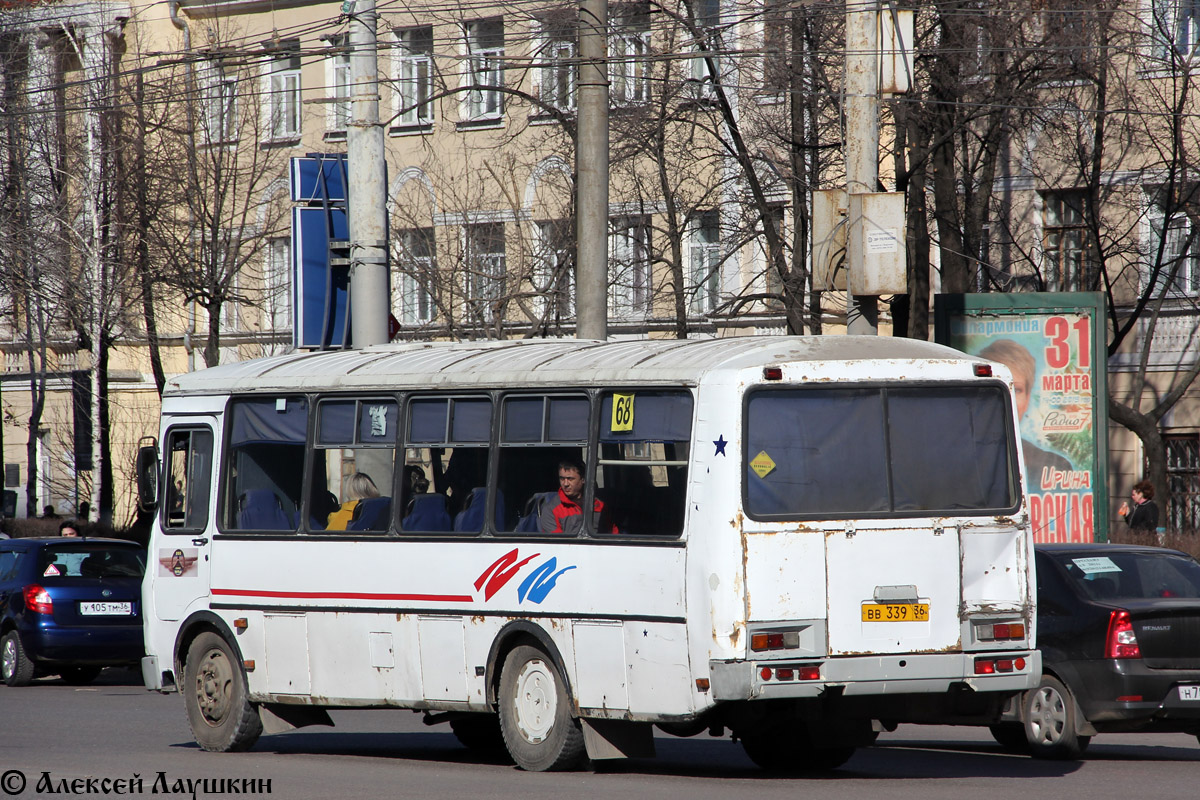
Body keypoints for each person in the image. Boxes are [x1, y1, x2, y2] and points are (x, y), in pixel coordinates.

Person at [977, 339, 1072, 482]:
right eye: (996, 388)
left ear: (1027, 398)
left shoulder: (1054, 467)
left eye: (1017, 390)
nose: (1007, 399)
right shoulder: (960, 461)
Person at [538, 459, 617, 535]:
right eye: (562, 479)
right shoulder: (551, 509)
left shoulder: (600, 505)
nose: (565, 484)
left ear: (583, 479)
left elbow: (613, 535)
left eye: (570, 479)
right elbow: (557, 544)